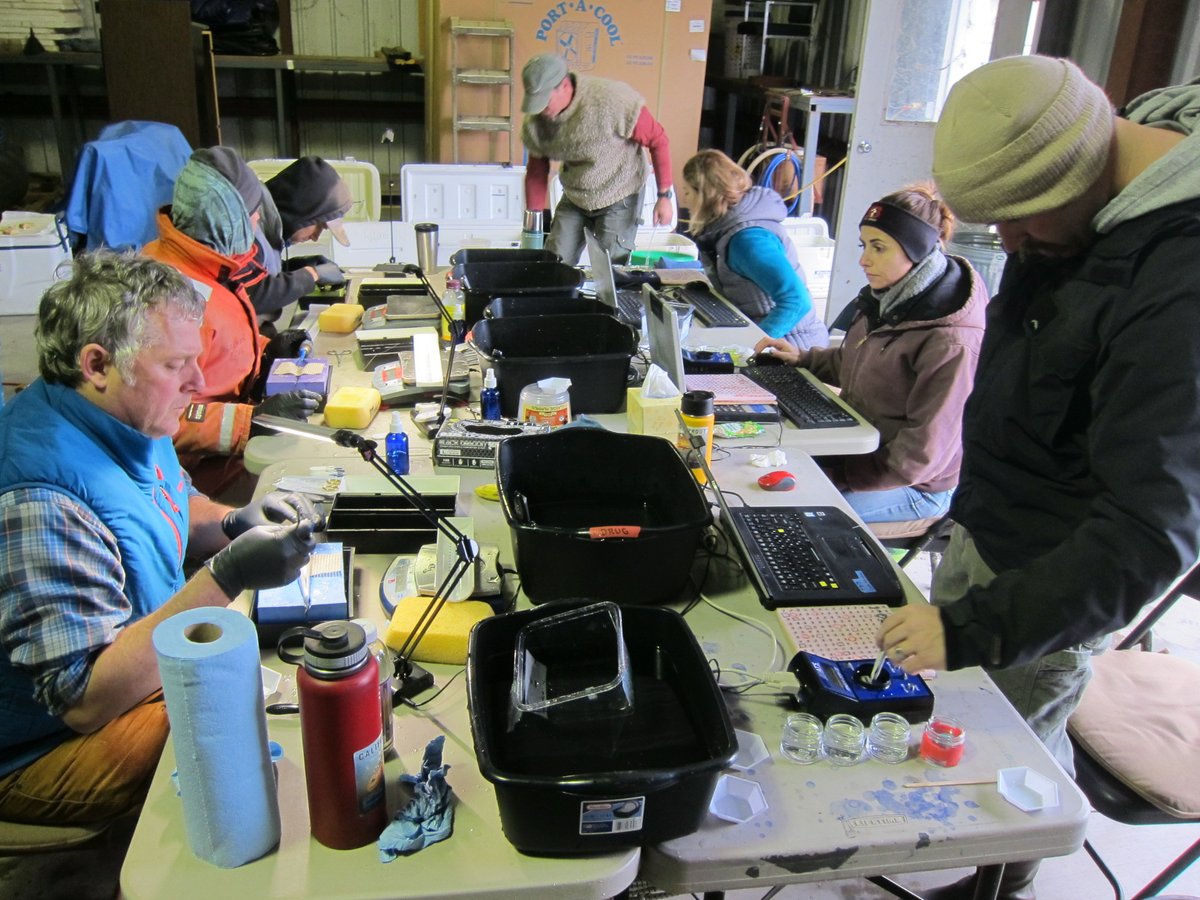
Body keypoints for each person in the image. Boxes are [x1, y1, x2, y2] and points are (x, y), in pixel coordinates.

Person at [872, 56, 1200, 900]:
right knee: (983, 730)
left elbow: (1150, 529)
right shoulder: (1078, 192)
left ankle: (1004, 877)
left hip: (1059, 571)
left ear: (1078, 170)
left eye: (1019, 223)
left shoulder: (1179, 286)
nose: (1009, 246)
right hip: (993, 523)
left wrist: (978, 630)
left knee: (1007, 760)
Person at [0, 251, 321, 824]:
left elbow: (167, 501)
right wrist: (228, 576)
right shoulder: (38, 498)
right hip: (40, 744)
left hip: (120, 658)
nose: (198, 383)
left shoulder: (119, 415)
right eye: (177, 365)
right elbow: (84, 698)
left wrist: (229, 522)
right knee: (226, 717)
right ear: (97, 364)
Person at [757, 184, 986, 523]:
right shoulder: (888, 299)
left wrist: (835, 476)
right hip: (861, 454)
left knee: (787, 510)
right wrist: (804, 359)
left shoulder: (951, 341)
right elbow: (858, 362)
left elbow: (920, 458)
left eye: (879, 248)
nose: (864, 260)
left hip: (915, 486)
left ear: (918, 251)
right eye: (864, 246)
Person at [143, 146, 321, 496]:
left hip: (231, 452)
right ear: (225, 218)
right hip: (197, 478)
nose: (256, 225)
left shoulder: (207, 266)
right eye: (252, 216)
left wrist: (268, 351)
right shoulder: (167, 300)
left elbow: (222, 346)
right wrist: (249, 422)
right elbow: (155, 419)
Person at [520, 52, 673, 266]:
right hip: (576, 195)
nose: (541, 110)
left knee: (609, 269)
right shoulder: (536, 122)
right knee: (554, 264)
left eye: (545, 102)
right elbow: (537, 172)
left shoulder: (612, 101)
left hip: (619, 191)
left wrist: (664, 195)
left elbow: (658, 140)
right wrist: (532, 225)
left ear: (564, 86)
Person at [683, 148, 831, 350]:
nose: (684, 200)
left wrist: (750, 349)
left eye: (687, 192)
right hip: (775, 339)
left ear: (705, 195)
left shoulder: (749, 241)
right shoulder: (727, 231)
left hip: (792, 345)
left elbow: (796, 301)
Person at [249, 156, 353, 322]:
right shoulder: (251, 230)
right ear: (301, 212)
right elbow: (251, 294)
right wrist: (311, 275)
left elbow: (260, 272)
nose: (315, 237)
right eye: (319, 226)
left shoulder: (268, 225)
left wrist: (295, 267)